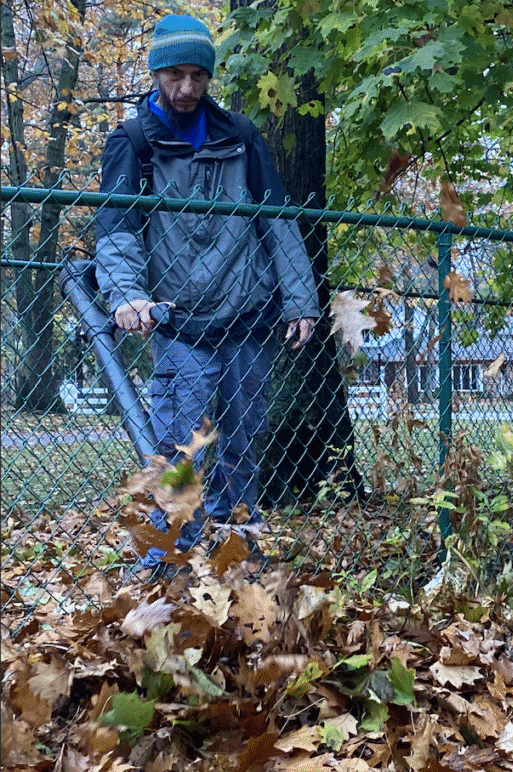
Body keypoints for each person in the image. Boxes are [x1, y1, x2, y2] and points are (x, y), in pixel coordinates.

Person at [95, 14, 319, 575]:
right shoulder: (132, 143)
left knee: (245, 440)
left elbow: (278, 222)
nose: (187, 89)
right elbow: (117, 228)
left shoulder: (240, 136)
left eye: (198, 75)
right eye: (175, 75)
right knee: (178, 447)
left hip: (247, 313)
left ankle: (238, 543)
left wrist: (300, 300)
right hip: (178, 322)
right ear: (155, 74)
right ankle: (167, 552)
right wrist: (126, 296)